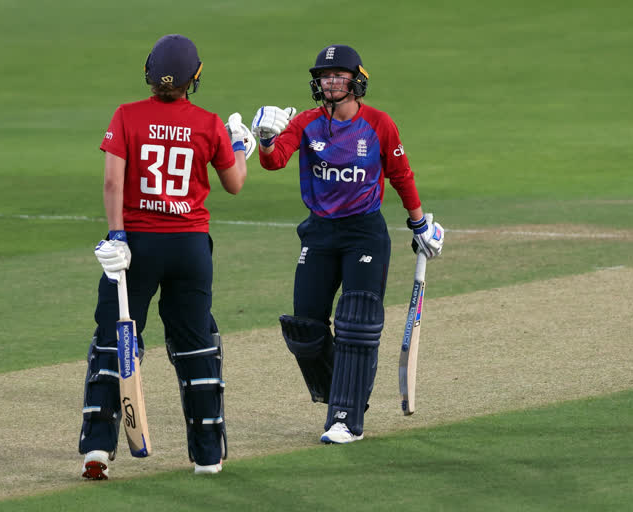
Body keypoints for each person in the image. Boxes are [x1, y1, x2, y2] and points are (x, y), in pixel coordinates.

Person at [79, 34, 254, 479]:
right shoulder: (209, 122)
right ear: (195, 77)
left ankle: (98, 449)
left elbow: (112, 184)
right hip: (190, 247)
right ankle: (208, 455)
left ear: (149, 73)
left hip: (137, 246)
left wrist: (117, 236)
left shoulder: (127, 116)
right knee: (196, 346)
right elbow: (235, 184)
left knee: (111, 342)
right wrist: (239, 145)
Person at [251, 44, 444, 444]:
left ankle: (345, 417)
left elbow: (401, 174)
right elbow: (274, 161)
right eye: (325, 76)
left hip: (364, 232)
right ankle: (346, 390)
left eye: (339, 75)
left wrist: (419, 224)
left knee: (356, 323)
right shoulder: (305, 123)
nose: (331, 82)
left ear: (356, 80)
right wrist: (267, 140)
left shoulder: (378, 124)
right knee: (305, 327)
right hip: (320, 232)